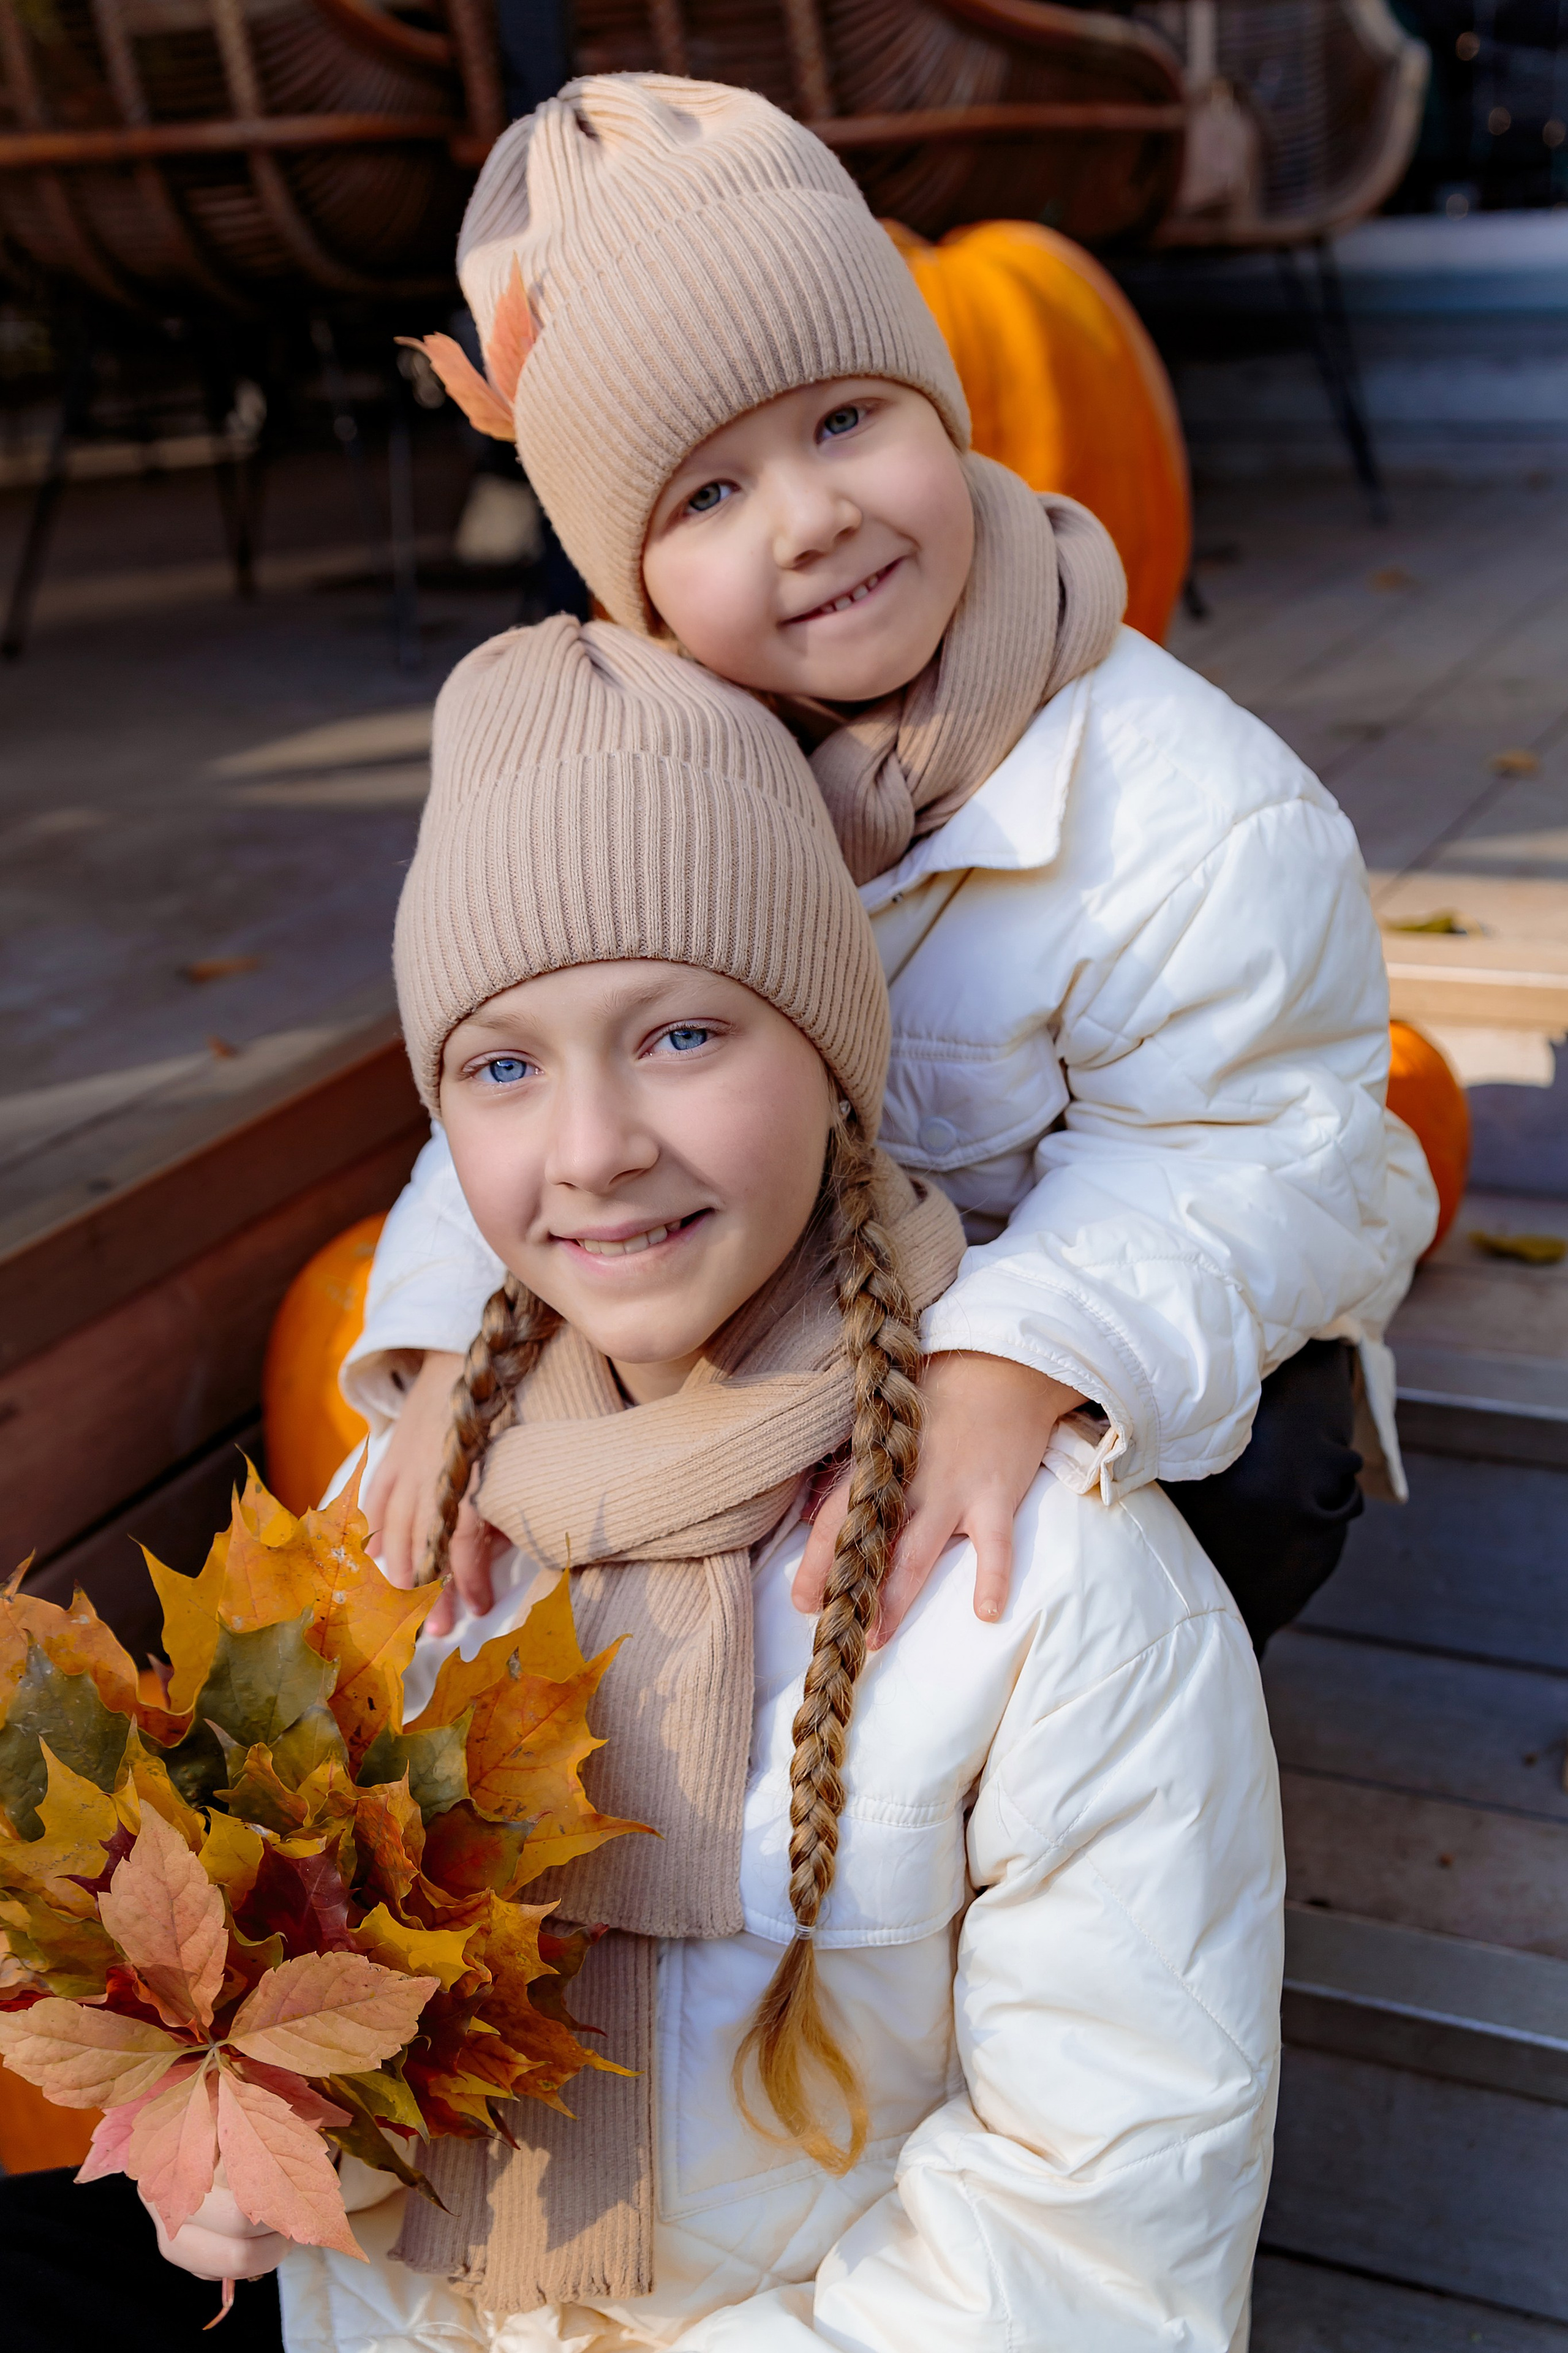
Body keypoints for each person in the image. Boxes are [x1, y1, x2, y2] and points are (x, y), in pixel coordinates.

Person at [148, 618, 1285, 2351]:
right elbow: (323, 2043)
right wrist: (239, 2155)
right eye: (503, 1063)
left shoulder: (1050, 1588)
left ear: (834, 1058)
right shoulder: (401, 1528)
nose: (593, 1146)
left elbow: (1090, 2246)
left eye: (681, 1034)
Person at [356, 74, 1436, 1658]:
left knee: (1268, 1462)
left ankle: (1111, 1724)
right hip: (791, 1340)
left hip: (1095, 1333)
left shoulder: (1192, 806)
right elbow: (535, 1071)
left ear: (944, 406)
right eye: (711, 492)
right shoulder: (635, 786)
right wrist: (461, 1339)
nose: (810, 517)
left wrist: (1014, 1356)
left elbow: (1251, 1152)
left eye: (845, 419)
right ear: (631, 581)